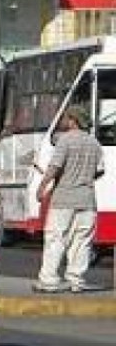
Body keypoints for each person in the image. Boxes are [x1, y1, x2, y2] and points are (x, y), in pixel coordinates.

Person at [34, 105, 105, 293]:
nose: (65, 121)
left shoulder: (65, 141)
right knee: (81, 242)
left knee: (56, 239)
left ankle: (48, 280)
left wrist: (42, 187)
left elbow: (55, 167)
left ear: (73, 120)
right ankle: (76, 280)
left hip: (63, 199)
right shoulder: (94, 143)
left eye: (66, 118)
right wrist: (83, 177)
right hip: (87, 201)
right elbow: (99, 171)